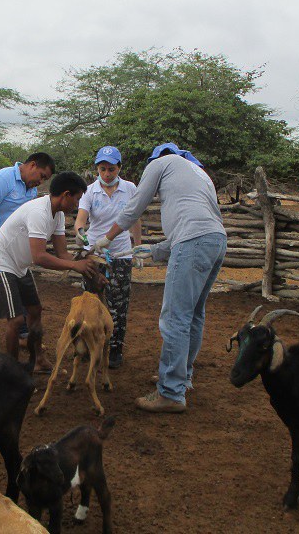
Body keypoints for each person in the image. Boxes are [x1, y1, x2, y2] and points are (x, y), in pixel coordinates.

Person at [94, 142, 227, 413]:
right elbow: (199, 224)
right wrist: (154, 250)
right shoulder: (200, 173)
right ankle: (181, 377)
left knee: (174, 317)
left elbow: (134, 208)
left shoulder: (160, 163)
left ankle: (170, 392)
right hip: (217, 241)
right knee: (194, 314)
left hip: (194, 242)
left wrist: (106, 239)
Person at [0, 171, 98, 372]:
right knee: (16, 320)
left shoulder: (58, 215)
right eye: (77, 198)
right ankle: (11, 371)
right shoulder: (39, 212)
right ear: (65, 195)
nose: (78, 204)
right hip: (1, 262)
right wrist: (75, 266)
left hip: (19, 265)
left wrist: (88, 270)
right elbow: (39, 257)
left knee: (35, 311)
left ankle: (37, 359)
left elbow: (63, 253)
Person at [73, 145, 141, 369]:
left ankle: (115, 349)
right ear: (97, 170)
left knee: (118, 303)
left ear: (119, 168)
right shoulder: (90, 191)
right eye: (103, 169)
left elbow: (135, 218)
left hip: (120, 253)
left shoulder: (130, 189)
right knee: (90, 301)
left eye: (111, 169)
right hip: (95, 254)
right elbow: (81, 220)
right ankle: (87, 345)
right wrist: (80, 234)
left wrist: (137, 247)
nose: (107, 174)